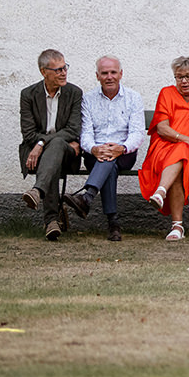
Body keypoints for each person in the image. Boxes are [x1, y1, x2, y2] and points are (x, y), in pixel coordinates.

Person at [140, 56, 189, 242]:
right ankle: (175, 223)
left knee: (182, 156)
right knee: (180, 154)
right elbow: (162, 128)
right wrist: (188, 140)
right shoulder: (166, 93)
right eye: (179, 77)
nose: (184, 81)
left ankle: (164, 200)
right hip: (164, 146)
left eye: (188, 76)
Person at [17, 49, 83, 241]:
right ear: (43, 72)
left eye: (65, 68)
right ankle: (52, 222)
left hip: (68, 154)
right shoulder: (28, 95)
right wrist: (39, 144)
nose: (63, 73)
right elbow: (28, 133)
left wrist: (42, 143)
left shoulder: (74, 93)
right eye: (58, 70)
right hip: (35, 156)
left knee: (57, 145)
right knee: (54, 152)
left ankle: (37, 191)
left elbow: (73, 129)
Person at [79, 55, 145, 242]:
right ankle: (113, 223)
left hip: (125, 153)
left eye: (113, 72)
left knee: (112, 159)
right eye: (104, 73)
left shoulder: (133, 98)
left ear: (121, 74)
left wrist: (122, 148)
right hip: (95, 154)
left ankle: (88, 197)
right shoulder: (88, 99)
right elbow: (85, 133)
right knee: (109, 163)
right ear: (97, 76)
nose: (109, 77)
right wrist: (93, 148)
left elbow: (137, 133)